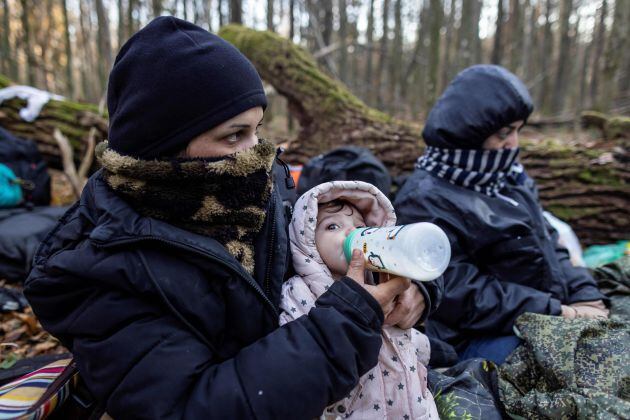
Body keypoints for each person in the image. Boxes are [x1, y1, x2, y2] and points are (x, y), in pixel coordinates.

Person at [23, 17, 419, 418]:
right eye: (234, 135)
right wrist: (343, 328)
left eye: (257, 130)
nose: (259, 154)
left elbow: (331, 247)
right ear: (166, 144)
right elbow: (189, 407)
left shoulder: (245, 202)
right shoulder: (105, 270)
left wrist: (414, 289)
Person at [394, 64, 609, 364]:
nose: (514, 145)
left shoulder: (507, 179)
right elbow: (461, 293)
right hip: (475, 340)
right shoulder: (425, 200)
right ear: (469, 131)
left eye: (518, 131)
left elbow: (549, 244)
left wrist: (585, 294)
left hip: (542, 311)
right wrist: (559, 313)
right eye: (504, 134)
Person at [280, 180, 441, 419]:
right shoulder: (299, 292)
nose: (351, 233)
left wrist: (434, 350)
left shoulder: (380, 284)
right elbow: (293, 350)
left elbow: (398, 337)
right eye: (333, 226)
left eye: (360, 226)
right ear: (307, 242)